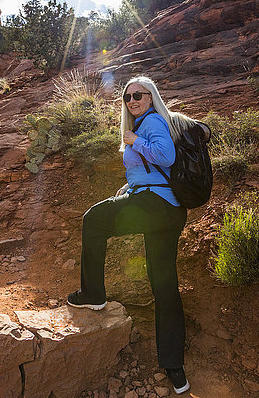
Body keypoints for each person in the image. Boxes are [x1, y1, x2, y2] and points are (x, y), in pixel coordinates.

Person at [68, 75, 197, 394]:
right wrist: (129, 186)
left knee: (94, 220)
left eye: (139, 95)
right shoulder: (151, 124)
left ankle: (93, 295)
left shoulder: (150, 123)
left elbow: (165, 156)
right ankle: (175, 368)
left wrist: (131, 139)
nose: (132, 100)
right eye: (127, 97)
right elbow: (154, 171)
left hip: (154, 206)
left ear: (151, 97)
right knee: (163, 283)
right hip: (169, 210)